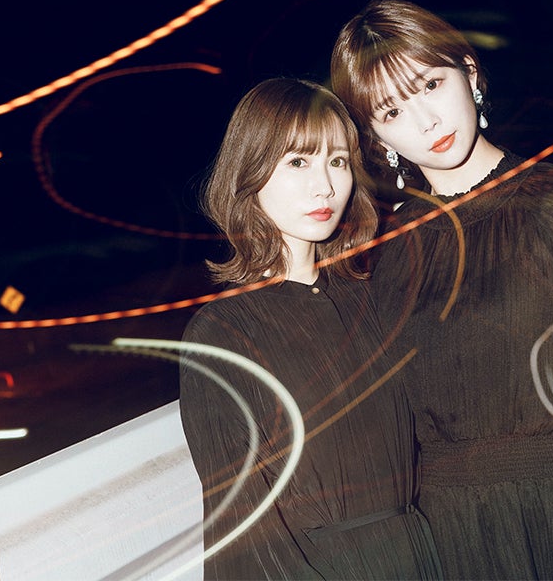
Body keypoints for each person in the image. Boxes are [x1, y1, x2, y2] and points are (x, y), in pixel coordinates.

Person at [330, 0, 553, 580]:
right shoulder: (385, 250)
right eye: (391, 111)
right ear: (375, 134)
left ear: (469, 73)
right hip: (451, 538)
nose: (426, 122)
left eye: (431, 85)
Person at [178, 78, 443, 580]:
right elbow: (246, 534)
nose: (324, 186)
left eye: (337, 161)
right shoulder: (222, 334)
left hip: (423, 556)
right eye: (298, 162)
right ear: (250, 173)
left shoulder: (373, 296)